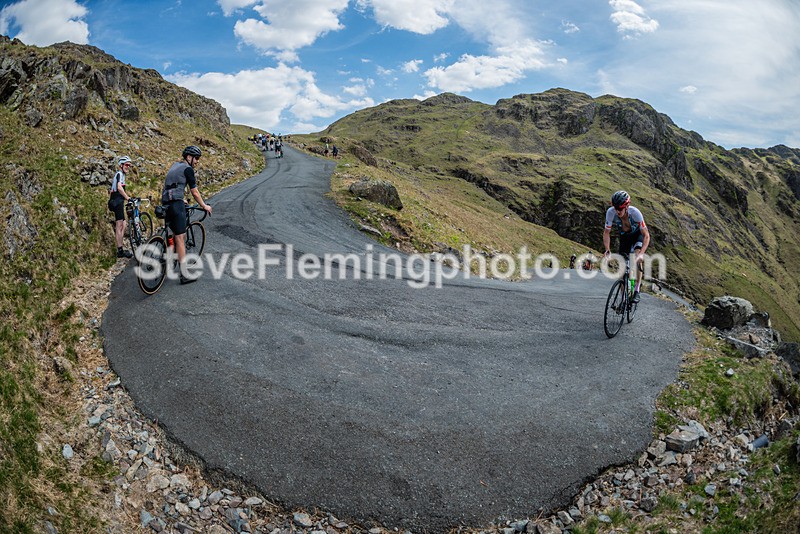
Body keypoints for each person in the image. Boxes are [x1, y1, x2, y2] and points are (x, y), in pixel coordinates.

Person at [161, 146, 213, 285]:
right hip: (175, 205)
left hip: (165, 202)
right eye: (196, 158)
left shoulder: (174, 166)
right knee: (180, 238)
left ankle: (168, 260)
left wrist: (180, 198)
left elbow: (171, 185)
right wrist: (204, 206)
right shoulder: (188, 169)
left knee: (172, 233)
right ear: (188, 157)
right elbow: (195, 192)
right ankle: (184, 275)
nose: (197, 161)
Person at [603, 190, 650, 303]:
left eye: (620, 208)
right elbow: (606, 233)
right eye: (615, 208)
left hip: (637, 235)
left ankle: (637, 290)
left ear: (627, 206)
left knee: (637, 256)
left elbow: (646, 235)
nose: (617, 211)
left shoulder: (635, 213)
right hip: (625, 237)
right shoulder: (611, 213)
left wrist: (642, 254)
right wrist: (607, 250)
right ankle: (624, 298)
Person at [108, 156, 134, 258]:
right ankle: (120, 250)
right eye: (126, 165)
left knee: (123, 223)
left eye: (129, 165)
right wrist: (127, 198)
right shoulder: (119, 174)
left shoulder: (122, 175)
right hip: (117, 201)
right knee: (119, 224)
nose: (128, 167)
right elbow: (119, 188)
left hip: (118, 201)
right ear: (121, 165)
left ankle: (121, 247)